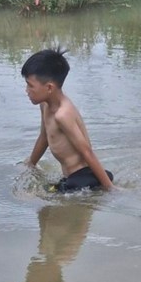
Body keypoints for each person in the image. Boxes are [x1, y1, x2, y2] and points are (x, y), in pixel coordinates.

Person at [21, 48, 115, 192]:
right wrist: (30, 164)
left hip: (83, 178)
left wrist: (110, 187)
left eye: (30, 85)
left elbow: (87, 152)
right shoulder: (44, 106)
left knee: (39, 194)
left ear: (49, 88)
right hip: (72, 178)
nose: (26, 90)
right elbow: (44, 137)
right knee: (43, 203)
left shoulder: (63, 115)